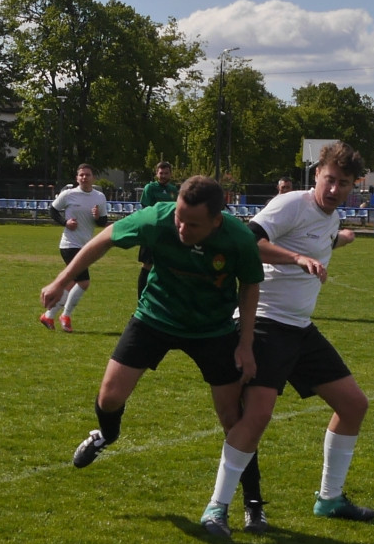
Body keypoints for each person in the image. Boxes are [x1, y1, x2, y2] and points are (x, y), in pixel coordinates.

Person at [199, 141, 374, 538]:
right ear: (317, 174)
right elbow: (248, 240)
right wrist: (296, 259)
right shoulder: (292, 203)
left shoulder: (332, 216)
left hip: (299, 329)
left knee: (353, 405)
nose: (334, 189)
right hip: (265, 323)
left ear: (353, 186)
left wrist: (341, 238)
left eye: (344, 183)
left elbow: (319, 240)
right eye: (330, 180)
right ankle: (217, 507)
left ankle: (329, 499)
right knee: (257, 416)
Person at [40, 176, 263, 475]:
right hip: (156, 316)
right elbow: (105, 238)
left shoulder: (239, 238)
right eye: (179, 218)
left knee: (233, 419)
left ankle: (252, 498)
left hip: (212, 329)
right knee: (109, 397)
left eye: (193, 224)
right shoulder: (157, 218)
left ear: (216, 220)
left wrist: (246, 344)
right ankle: (106, 435)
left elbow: (250, 285)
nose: (182, 228)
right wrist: (61, 280)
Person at [39, 164, 109, 333]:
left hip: (86, 246)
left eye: (88, 174)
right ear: (77, 178)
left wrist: (97, 217)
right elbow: (52, 210)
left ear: (93, 178)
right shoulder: (69, 194)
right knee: (83, 282)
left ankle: (49, 316)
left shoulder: (99, 197)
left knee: (71, 283)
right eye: (81, 175)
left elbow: (103, 222)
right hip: (69, 244)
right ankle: (66, 316)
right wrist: (65, 222)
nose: (84, 177)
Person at [136, 160, 177, 296]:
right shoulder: (150, 188)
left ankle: (162, 298)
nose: (163, 176)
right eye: (161, 173)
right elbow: (147, 209)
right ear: (156, 174)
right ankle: (141, 298)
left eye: (166, 173)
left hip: (168, 233)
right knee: (147, 265)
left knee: (167, 266)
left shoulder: (173, 190)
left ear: (170, 174)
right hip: (152, 232)